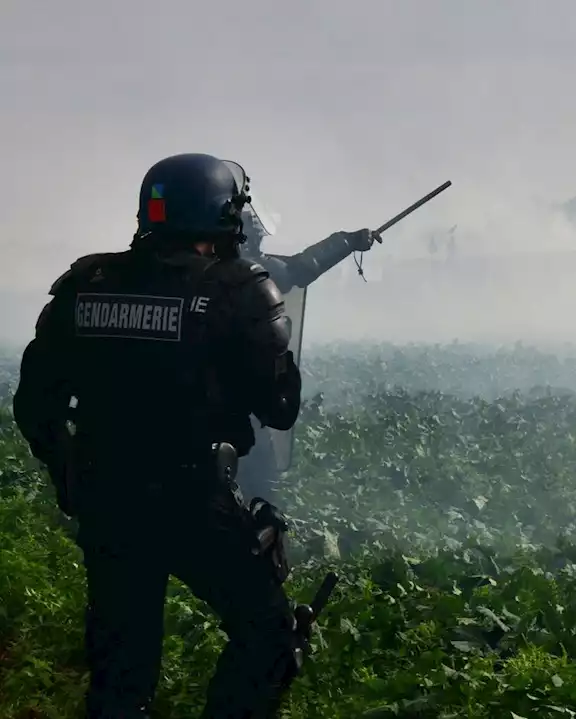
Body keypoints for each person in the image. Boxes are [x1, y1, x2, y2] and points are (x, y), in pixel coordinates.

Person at [13, 152, 307, 717]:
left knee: (120, 677)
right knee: (269, 640)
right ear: (227, 215)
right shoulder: (239, 288)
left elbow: (34, 404)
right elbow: (280, 408)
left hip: (108, 504)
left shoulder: (85, 284)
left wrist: (70, 475)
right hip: (196, 502)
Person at [235, 207, 377, 506]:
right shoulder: (244, 275)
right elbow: (299, 269)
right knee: (259, 494)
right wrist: (348, 241)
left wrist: (347, 241)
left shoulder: (166, 272)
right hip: (235, 414)